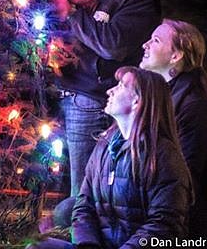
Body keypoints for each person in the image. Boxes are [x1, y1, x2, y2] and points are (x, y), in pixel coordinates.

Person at [51, 0, 161, 203]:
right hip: (74, 92)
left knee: (86, 190)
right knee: (78, 186)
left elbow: (111, 44)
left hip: (96, 99)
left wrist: (73, 13)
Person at [28, 67, 191, 249]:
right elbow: (84, 205)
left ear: (137, 100)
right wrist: (88, 244)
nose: (109, 90)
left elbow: (164, 224)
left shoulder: (162, 156)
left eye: (121, 86)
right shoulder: (104, 146)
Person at [140, 19, 207, 238]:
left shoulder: (195, 106)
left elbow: (185, 176)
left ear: (175, 56)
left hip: (185, 229)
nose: (145, 45)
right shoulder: (163, 96)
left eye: (155, 40)